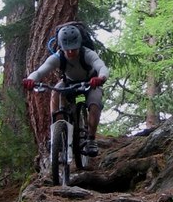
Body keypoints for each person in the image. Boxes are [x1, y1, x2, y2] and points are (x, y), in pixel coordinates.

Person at [22, 23, 108, 156]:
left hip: (91, 83)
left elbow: (101, 66)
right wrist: (31, 79)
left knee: (95, 104)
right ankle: (57, 131)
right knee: (55, 92)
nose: (71, 52)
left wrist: (101, 78)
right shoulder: (58, 57)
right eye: (67, 49)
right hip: (68, 83)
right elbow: (40, 71)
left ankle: (91, 139)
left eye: (74, 49)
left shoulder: (87, 53)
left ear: (79, 44)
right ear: (62, 47)